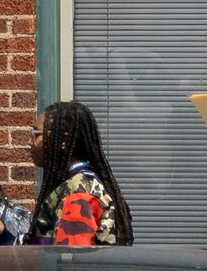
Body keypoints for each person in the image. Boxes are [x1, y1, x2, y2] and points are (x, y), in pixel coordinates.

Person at [26, 100, 134, 247]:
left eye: (36, 134)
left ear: (62, 140)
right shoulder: (81, 182)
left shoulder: (78, 194)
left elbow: (71, 262)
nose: (30, 142)